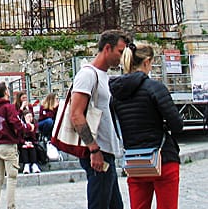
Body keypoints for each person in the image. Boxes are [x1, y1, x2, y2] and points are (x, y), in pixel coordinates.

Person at [110, 42, 183, 209]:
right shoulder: (155, 88)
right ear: (146, 62)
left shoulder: (116, 93)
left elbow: (117, 127)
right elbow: (177, 124)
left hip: (135, 160)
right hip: (162, 156)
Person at [70, 30, 128, 209]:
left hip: (106, 151)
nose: (122, 56)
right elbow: (76, 114)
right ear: (107, 48)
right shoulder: (88, 74)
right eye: (120, 51)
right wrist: (94, 150)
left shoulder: (104, 76)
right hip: (97, 152)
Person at [0, 82, 26, 209]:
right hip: (8, 144)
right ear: (5, 92)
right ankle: (11, 206)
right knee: (12, 177)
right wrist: (25, 131)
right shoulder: (8, 107)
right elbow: (16, 123)